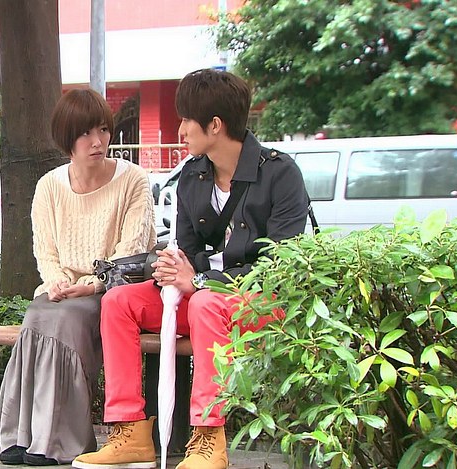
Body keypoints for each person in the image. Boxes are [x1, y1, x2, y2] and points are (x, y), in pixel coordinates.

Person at [72, 70, 310, 469]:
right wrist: (173, 267)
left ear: (215, 125)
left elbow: (279, 266)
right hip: (201, 296)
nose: (180, 130)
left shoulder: (280, 173)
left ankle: (208, 438)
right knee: (119, 303)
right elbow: (188, 250)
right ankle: (129, 431)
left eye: (186, 120)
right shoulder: (193, 175)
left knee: (205, 304)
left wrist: (199, 281)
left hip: (261, 303)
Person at [0, 88, 157, 466]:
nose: (97, 142)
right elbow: (45, 251)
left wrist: (90, 284)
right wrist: (58, 281)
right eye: (85, 133)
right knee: (38, 314)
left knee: (66, 317)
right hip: (63, 289)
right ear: (67, 139)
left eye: (102, 130)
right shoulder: (49, 185)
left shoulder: (133, 180)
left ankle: (59, 439)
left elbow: (131, 252)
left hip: (113, 290)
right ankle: (20, 434)